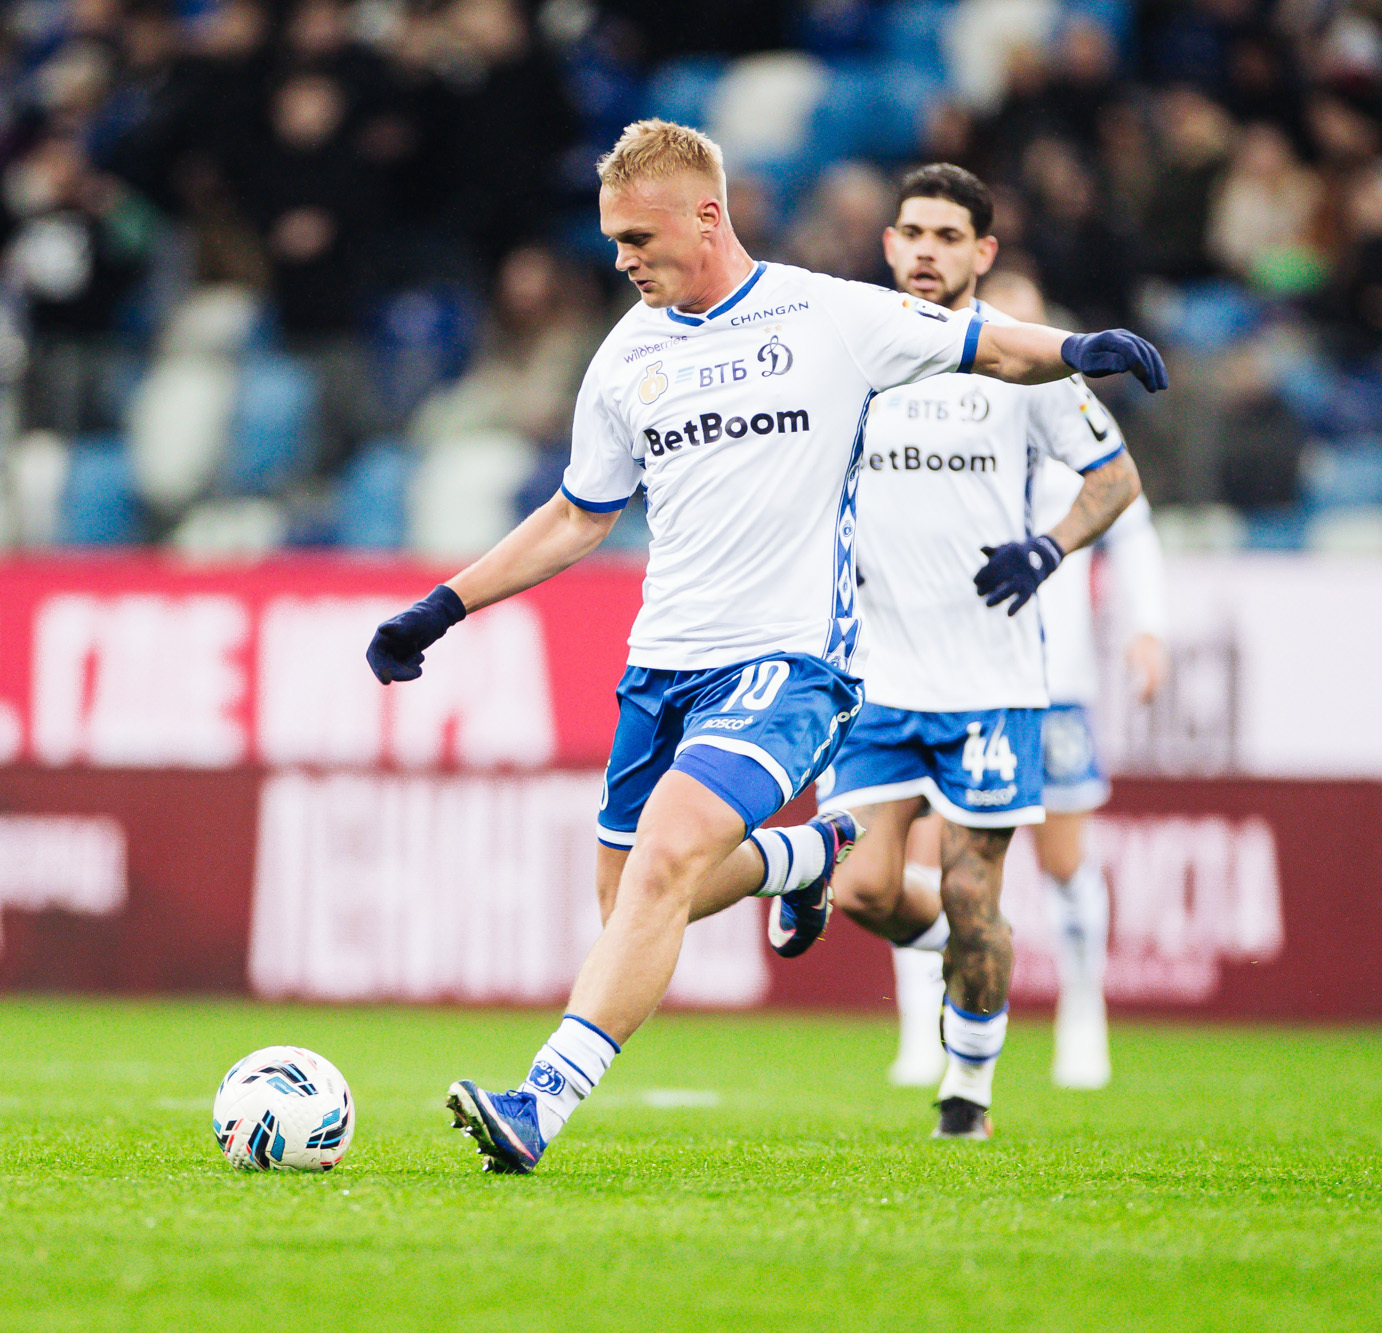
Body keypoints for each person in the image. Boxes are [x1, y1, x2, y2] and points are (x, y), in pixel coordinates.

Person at [363, 120, 1168, 1173]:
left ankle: (539, 1103)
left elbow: (985, 343)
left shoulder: (827, 315)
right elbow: (576, 515)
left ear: (707, 215)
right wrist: (444, 605)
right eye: (611, 240)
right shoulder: (627, 354)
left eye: (635, 237)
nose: (620, 259)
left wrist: (1077, 350)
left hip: (791, 667)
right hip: (662, 668)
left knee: (662, 861)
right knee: (632, 908)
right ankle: (805, 854)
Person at [808, 165, 1140, 1140]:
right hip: (873, 675)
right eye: (910, 231)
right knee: (861, 884)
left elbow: (1114, 479)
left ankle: (967, 1090)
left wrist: (1048, 548)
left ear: (981, 255)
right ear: (886, 244)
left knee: (969, 880)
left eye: (946, 236)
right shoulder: (852, 357)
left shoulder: (1023, 365)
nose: (923, 250)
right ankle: (972, 947)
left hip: (990, 681)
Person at [884, 268, 1169, 1094]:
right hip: (958, 668)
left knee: (1063, 852)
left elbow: (1131, 518)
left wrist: (1146, 626)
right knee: (931, 846)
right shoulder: (942, 406)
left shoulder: (1066, 409)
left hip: (1058, 674)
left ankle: (1085, 1011)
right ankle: (922, 1027)